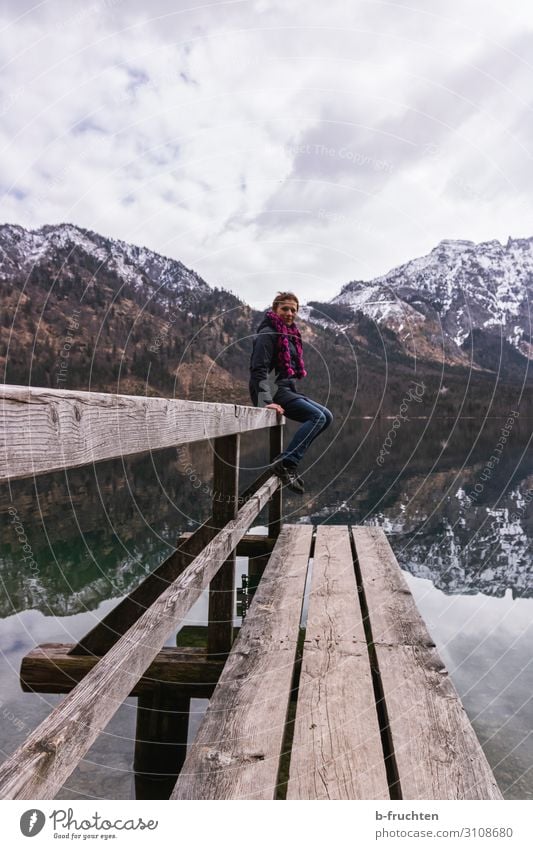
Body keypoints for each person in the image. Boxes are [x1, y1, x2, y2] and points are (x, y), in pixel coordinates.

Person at [249, 291, 333, 494]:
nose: (289, 313)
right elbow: (258, 369)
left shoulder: (289, 334)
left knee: (327, 416)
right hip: (271, 390)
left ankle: (287, 461)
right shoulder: (268, 333)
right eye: (284, 308)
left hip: (285, 388)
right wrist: (265, 401)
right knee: (317, 417)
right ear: (274, 309)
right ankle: (287, 463)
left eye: (293, 310)